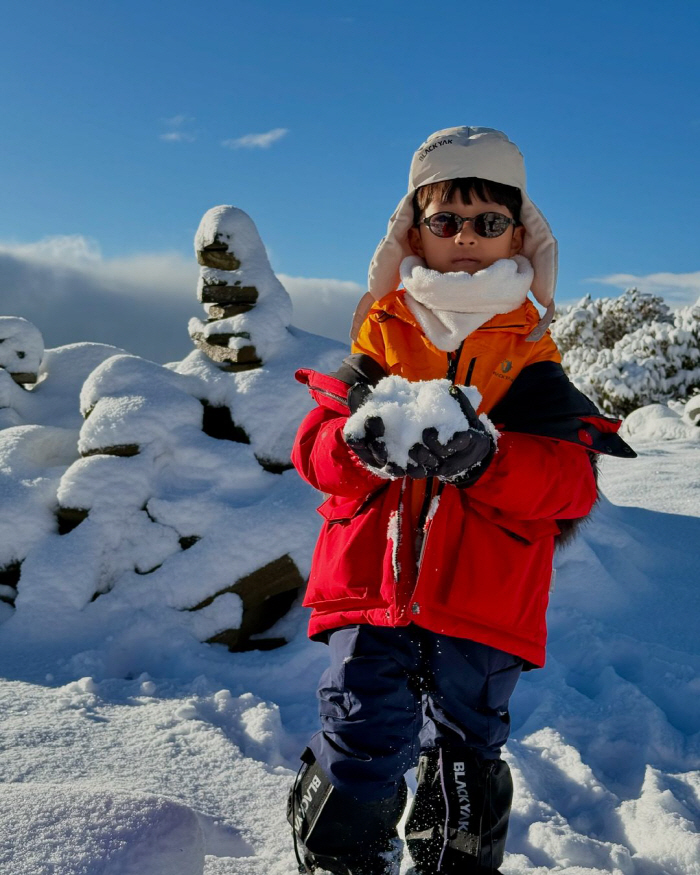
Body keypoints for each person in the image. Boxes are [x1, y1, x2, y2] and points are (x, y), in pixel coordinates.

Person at [287, 127, 635, 875]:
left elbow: (570, 485)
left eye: (488, 221)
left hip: (484, 603)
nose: (466, 239)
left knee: (465, 760)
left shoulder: (532, 360)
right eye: (446, 221)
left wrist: (487, 460)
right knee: (361, 734)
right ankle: (340, 857)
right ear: (415, 231)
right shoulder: (378, 341)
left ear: (519, 233)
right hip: (368, 594)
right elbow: (312, 451)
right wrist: (356, 447)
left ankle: (456, 862)